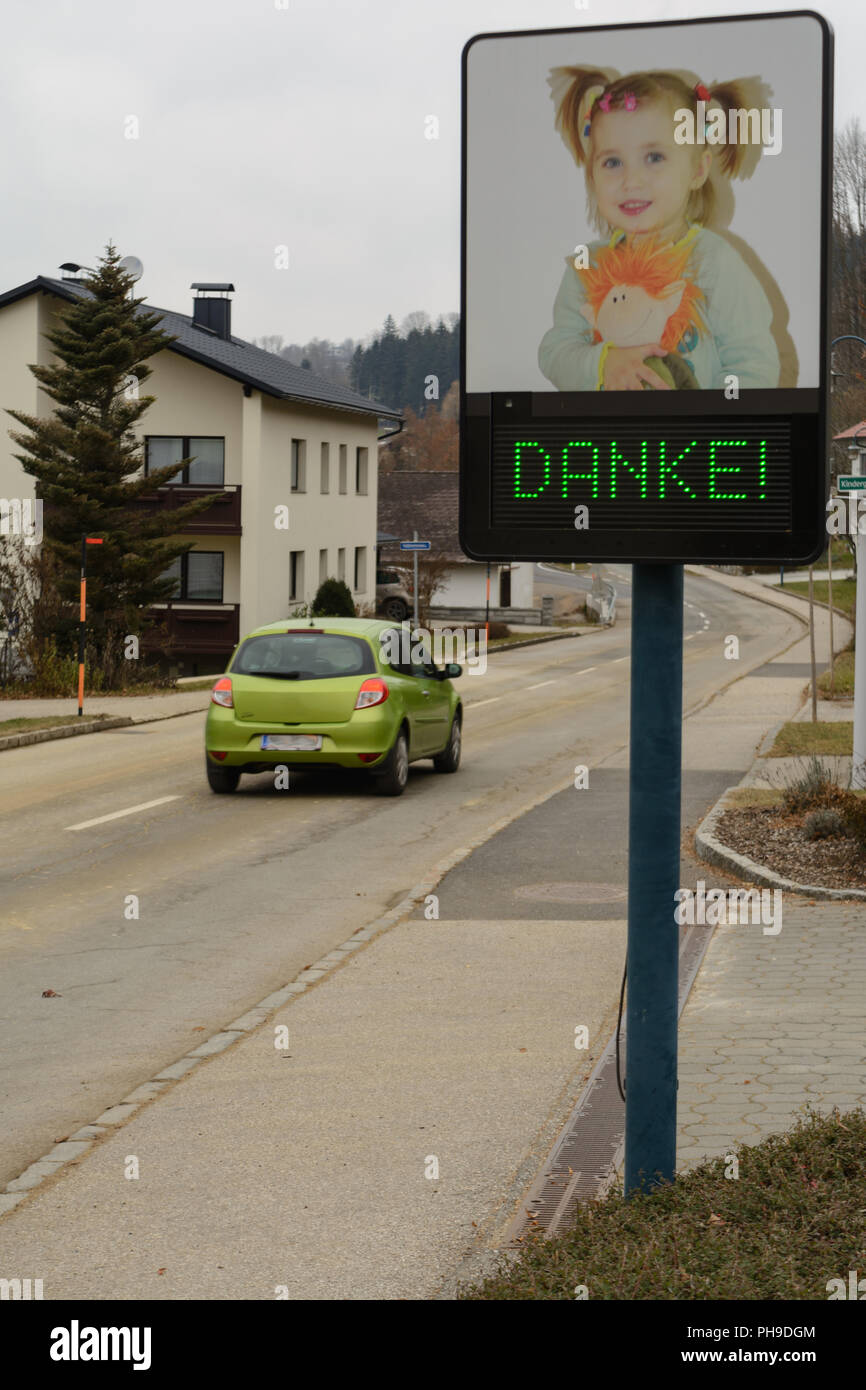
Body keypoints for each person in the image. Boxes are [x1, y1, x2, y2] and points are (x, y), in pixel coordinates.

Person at [537, 68, 781, 392]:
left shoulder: (715, 262)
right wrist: (602, 363)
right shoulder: (587, 267)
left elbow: (753, 364)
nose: (631, 180)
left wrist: (715, 428)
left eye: (654, 157)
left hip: (696, 439)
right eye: (612, 162)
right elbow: (555, 353)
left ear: (698, 169)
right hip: (612, 440)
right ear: (592, 175)